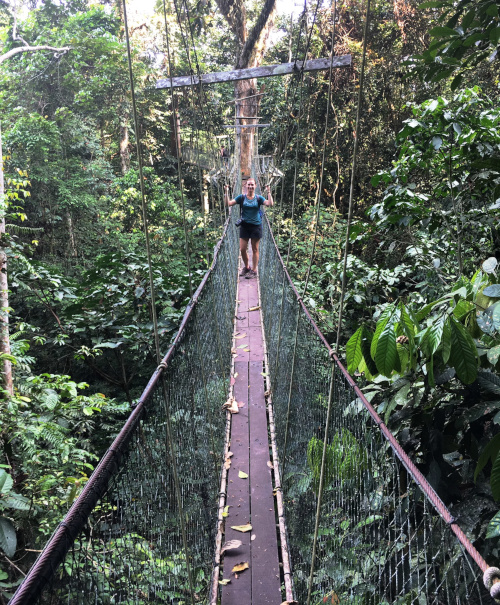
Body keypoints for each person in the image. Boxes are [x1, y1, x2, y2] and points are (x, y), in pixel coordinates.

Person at [225, 179, 273, 279]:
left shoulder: (259, 198)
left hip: (256, 226)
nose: (250, 186)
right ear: (246, 186)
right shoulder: (241, 197)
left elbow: (270, 204)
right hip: (244, 226)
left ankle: (254, 270)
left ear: (255, 186)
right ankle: (246, 267)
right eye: (249, 185)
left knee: (255, 248)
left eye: (252, 185)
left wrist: (268, 191)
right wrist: (226, 192)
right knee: (242, 249)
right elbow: (228, 203)